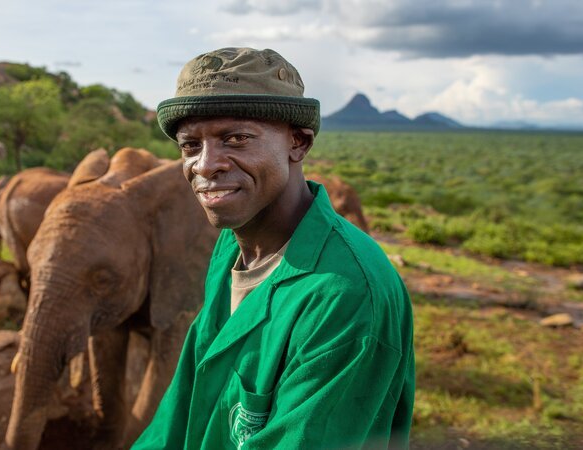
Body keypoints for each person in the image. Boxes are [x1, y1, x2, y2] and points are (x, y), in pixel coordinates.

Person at [133, 47, 414, 449]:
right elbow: (180, 415)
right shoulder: (231, 249)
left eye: (236, 138)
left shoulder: (344, 294)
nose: (205, 165)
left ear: (298, 143)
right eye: (190, 145)